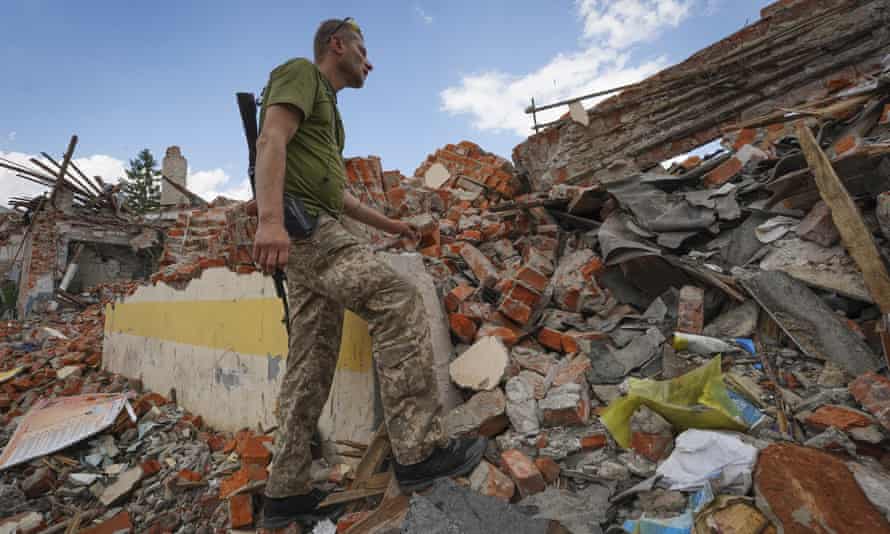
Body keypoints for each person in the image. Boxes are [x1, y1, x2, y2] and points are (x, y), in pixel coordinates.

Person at [251, 18, 486, 529]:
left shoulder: (330, 115)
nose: (369, 60)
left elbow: (338, 195)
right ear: (336, 45)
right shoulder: (299, 74)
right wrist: (270, 222)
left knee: (310, 362)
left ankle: (284, 492)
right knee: (396, 298)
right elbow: (270, 139)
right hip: (305, 227)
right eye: (362, 48)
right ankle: (419, 451)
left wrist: (391, 224)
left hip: (316, 223)